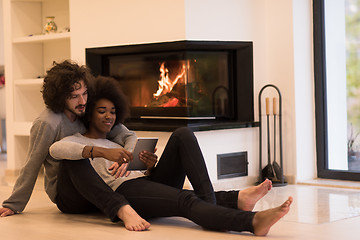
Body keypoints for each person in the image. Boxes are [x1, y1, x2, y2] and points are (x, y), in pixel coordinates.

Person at [49, 76, 293, 235]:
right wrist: (104, 152)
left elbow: (142, 168)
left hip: (143, 183)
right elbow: (56, 150)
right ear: (89, 113)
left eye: (113, 111)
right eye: (101, 111)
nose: (108, 116)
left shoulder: (117, 138)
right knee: (185, 201)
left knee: (182, 134)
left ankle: (220, 204)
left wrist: (149, 166)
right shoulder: (77, 142)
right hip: (124, 191)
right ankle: (250, 222)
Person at [0, 60, 136, 218]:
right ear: (60, 96)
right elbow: (32, 164)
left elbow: (128, 136)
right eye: (74, 96)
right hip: (66, 192)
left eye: (85, 93)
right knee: (73, 157)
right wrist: (13, 204)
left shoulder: (87, 111)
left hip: (96, 183)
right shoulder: (47, 123)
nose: (83, 101)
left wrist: (128, 157)